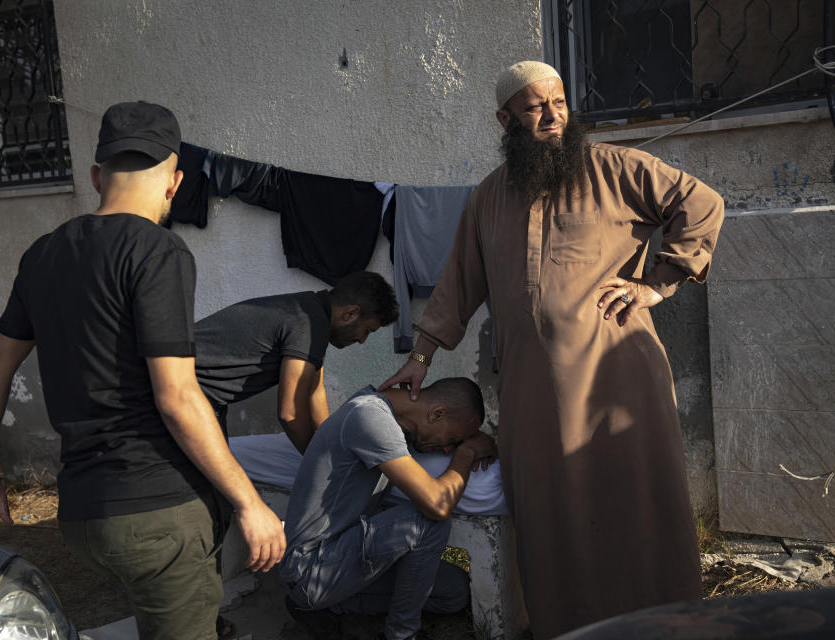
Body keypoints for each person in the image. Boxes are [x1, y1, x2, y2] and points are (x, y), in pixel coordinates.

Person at [381, 61, 725, 639]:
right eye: (536, 106)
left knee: (636, 507)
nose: (551, 116)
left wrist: (656, 284)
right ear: (505, 118)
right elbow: (458, 282)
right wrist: (421, 356)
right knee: (552, 519)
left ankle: (665, 627)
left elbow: (703, 203)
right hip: (534, 394)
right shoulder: (488, 198)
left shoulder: (616, 167)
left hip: (620, 381)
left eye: (560, 104)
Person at [0, 101, 285, 640]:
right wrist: (249, 502)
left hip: (82, 516)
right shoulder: (158, 251)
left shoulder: (43, 254)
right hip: (158, 509)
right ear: (175, 182)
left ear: (96, 176)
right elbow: (176, 396)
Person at [280, 378, 496, 640]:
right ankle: (401, 634)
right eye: (453, 439)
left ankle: (324, 607)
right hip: (311, 566)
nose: (448, 449)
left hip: (343, 556)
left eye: (456, 445)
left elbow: (408, 399)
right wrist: (466, 454)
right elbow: (438, 505)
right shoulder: (369, 416)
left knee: (453, 592)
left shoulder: (396, 418)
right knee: (427, 522)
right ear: (437, 413)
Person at [193, 270, 398, 453]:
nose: (363, 340)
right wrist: (321, 463)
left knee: (216, 486)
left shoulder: (312, 313)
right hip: (184, 389)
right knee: (211, 486)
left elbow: (315, 392)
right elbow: (290, 414)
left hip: (200, 396)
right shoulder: (308, 326)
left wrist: (329, 448)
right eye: (367, 331)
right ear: (350, 313)